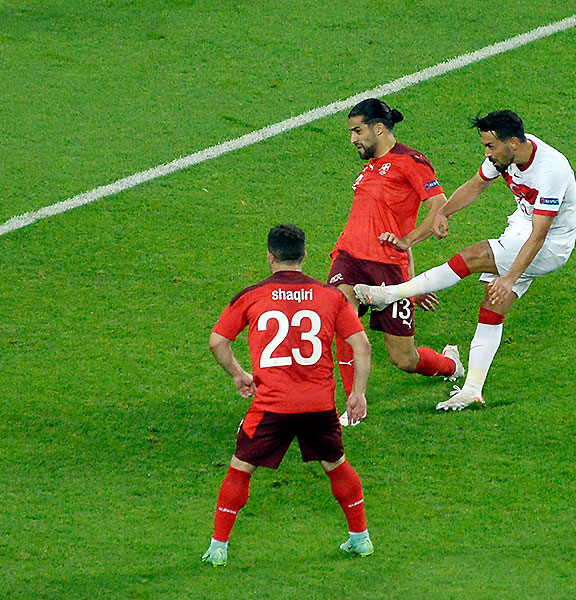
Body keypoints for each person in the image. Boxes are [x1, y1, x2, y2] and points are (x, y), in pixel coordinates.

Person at [355, 110, 576, 410]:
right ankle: (472, 389)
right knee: (492, 306)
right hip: (523, 225)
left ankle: (389, 294)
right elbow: (476, 185)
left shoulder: (551, 170)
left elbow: (539, 236)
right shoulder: (505, 155)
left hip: (551, 243)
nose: (487, 153)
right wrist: (443, 213)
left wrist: (510, 278)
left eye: (490, 146)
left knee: (475, 256)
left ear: (512, 142)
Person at [202, 224, 374, 568]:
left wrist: (238, 374)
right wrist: (358, 393)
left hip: (272, 406)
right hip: (318, 406)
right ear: (304, 255)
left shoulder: (252, 296)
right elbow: (362, 345)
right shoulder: (331, 296)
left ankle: (218, 548)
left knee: (240, 470)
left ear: (270, 256)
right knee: (336, 465)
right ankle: (361, 539)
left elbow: (217, 342)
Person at [329, 98, 463, 424]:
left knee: (404, 359)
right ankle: (353, 404)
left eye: (357, 131)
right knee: (341, 321)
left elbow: (440, 207)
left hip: (387, 267)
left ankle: (450, 365)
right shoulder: (370, 167)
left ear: (378, 128)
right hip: (348, 256)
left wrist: (409, 251)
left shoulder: (410, 161)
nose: (353, 139)